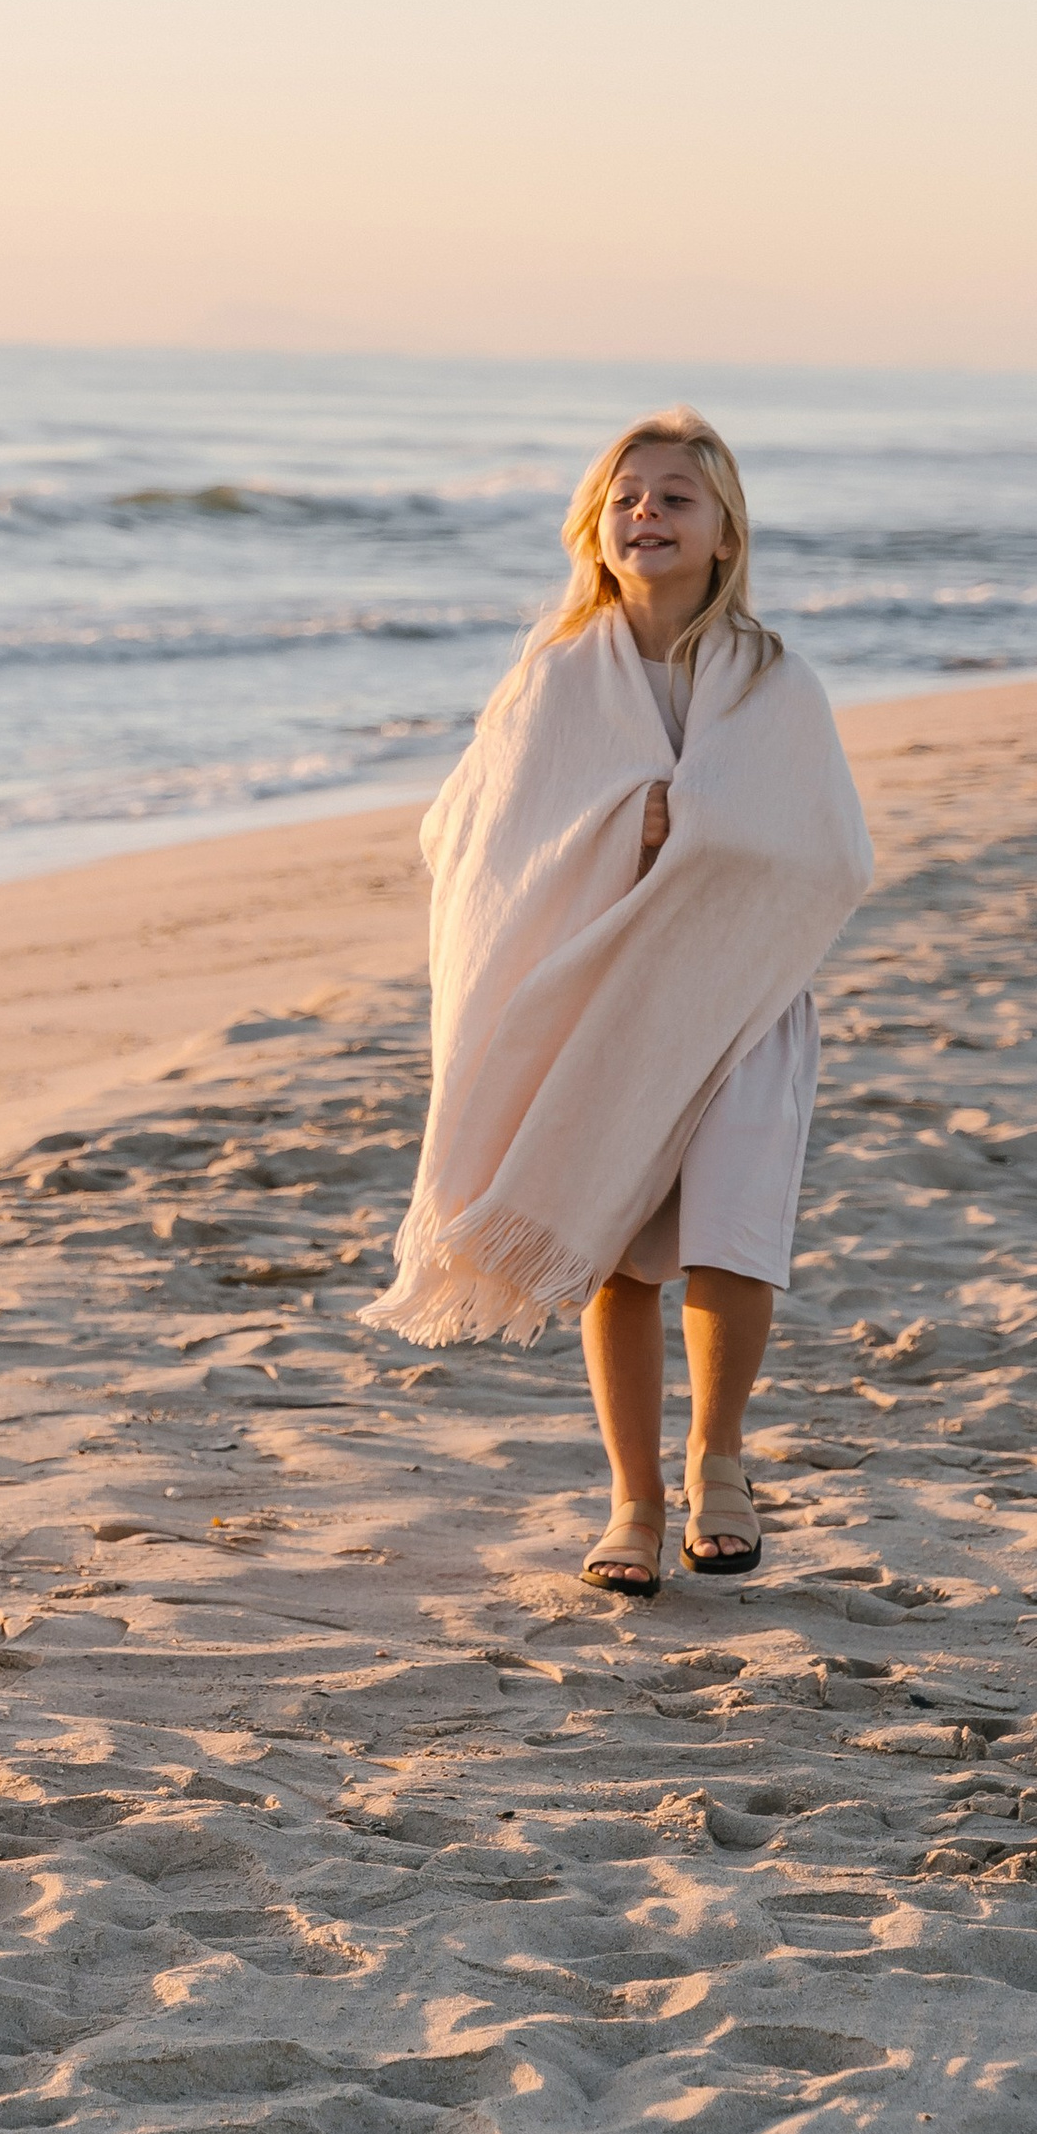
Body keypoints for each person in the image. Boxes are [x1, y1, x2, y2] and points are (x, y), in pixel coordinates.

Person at [369, 407, 871, 1597]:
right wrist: (612, 828)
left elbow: (827, 851)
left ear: (723, 532)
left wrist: (697, 839)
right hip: (606, 998)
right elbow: (475, 834)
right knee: (619, 1255)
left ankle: (719, 1461)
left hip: (740, 996)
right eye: (626, 496)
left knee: (734, 1237)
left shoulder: (773, 677)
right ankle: (631, 1502)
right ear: (594, 527)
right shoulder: (553, 675)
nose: (646, 512)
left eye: (675, 498)